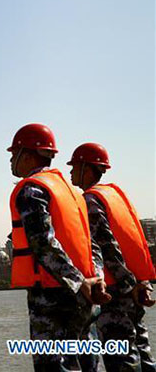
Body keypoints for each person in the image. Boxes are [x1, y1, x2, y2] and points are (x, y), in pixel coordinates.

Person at [7, 123, 111, 371]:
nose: (11, 160)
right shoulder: (72, 193)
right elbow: (91, 244)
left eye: (14, 153)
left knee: (53, 366)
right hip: (84, 296)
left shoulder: (32, 190)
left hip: (53, 296)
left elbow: (42, 243)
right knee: (85, 365)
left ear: (28, 153)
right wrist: (95, 279)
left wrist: (77, 281)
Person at [70, 142, 156, 372]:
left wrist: (127, 286)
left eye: (74, 166)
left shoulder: (89, 200)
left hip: (116, 290)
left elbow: (108, 247)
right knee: (142, 351)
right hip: (135, 287)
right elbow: (136, 243)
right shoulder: (116, 196)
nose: (70, 171)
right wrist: (141, 283)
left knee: (121, 359)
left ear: (87, 168)